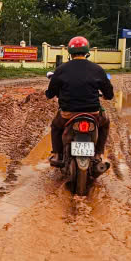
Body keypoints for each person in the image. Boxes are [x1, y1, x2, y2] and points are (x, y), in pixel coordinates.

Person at [45, 36, 113, 167]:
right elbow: (109, 94)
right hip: (93, 114)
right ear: (87, 52)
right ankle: (98, 154)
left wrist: (48, 94)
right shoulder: (97, 69)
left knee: (55, 126)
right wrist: (105, 96)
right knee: (105, 123)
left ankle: (57, 154)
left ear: (70, 53)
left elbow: (50, 93)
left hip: (67, 115)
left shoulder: (61, 70)